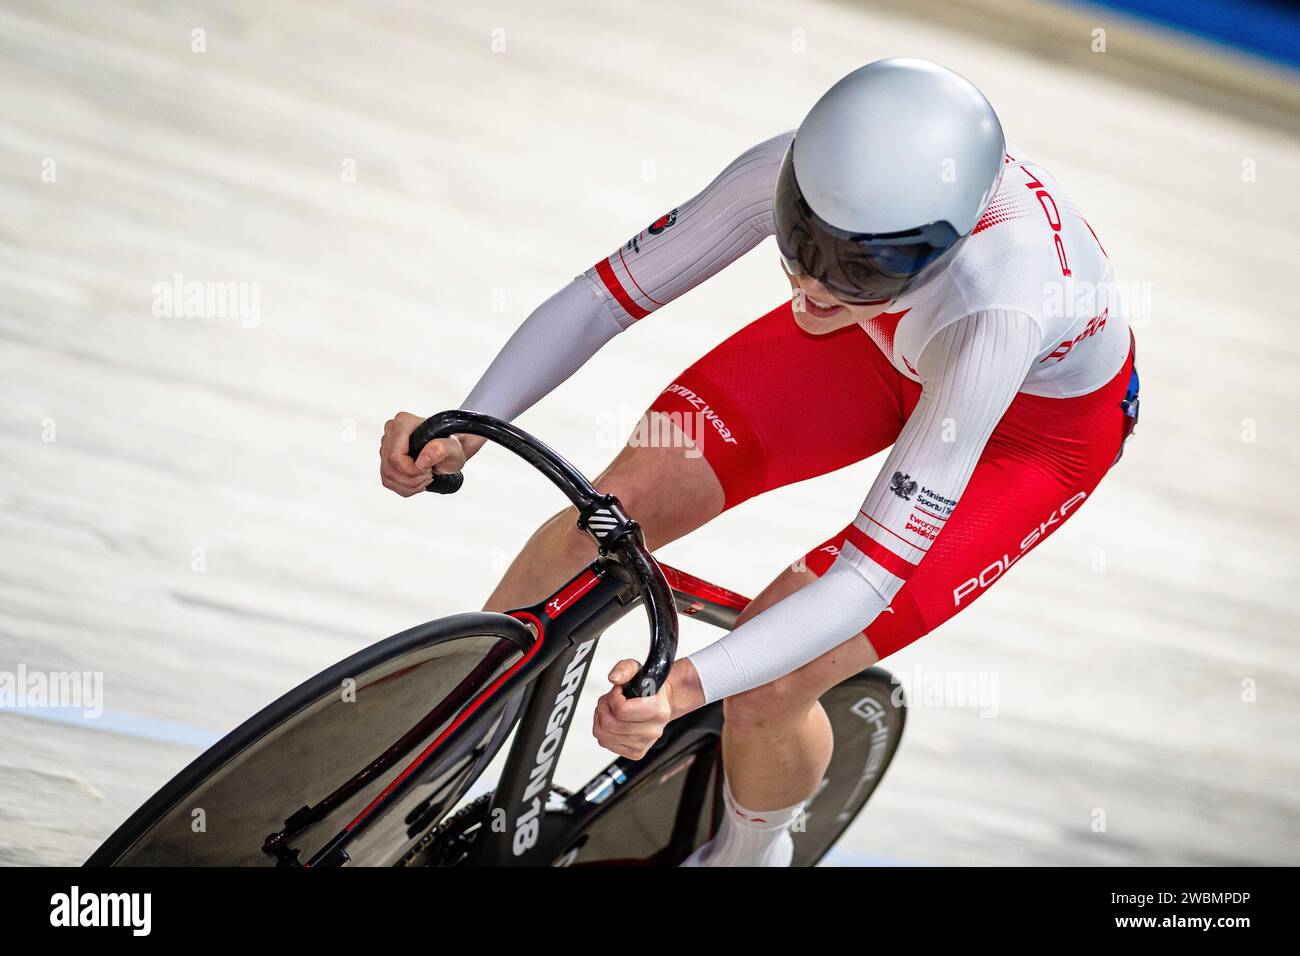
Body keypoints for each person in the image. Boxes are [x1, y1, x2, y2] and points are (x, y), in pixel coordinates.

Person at [379, 57, 1139, 866]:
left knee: (771, 682)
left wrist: (686, 686)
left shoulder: (998, 305)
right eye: (802, 242)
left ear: (937, 249)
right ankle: (404, 782)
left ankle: (748, 858)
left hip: (1032, 436)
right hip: (873, 337)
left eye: (857, 265)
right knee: (596, 522)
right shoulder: (797, 186)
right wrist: (472, 423)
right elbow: (606, 296)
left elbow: (867, 576)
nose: (809, 285)